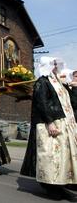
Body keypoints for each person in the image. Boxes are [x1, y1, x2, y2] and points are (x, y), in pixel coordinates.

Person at [20, 57, 77, 200]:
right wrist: (50, 122)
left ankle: (62, 184)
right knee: (52, 157)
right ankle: (51, 186)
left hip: (66, 124)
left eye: (56, 65)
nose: (55, 67)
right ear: (47, 66)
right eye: (53, 64)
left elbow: (73, 103)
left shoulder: (60, 83)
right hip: (50, 124)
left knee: (64, 156)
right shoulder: (43, 81)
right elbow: (41, 102)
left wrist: (73, 88)